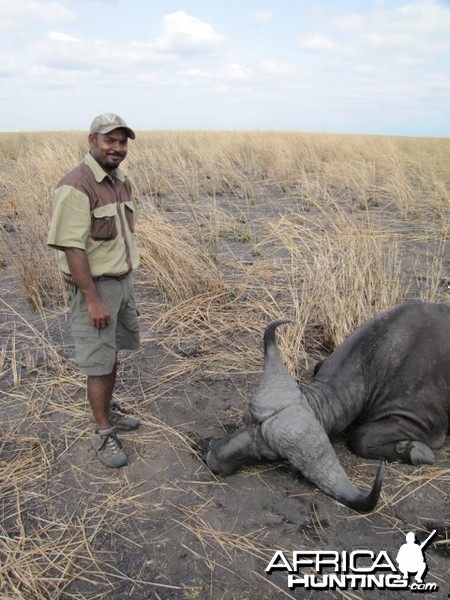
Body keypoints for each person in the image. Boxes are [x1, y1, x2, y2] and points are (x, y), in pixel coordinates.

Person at [48, 113, 141, 468]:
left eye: (122, 141)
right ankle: (103, 432)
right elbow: (73, 249)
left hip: (120, 283)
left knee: (111, 352)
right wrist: (92, 298)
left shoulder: (119, 180)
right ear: (92, 141)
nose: (117, 148)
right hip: (96, 288)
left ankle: (109, 412)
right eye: (110, 140)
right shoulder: (76, 185)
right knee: (98, 365)